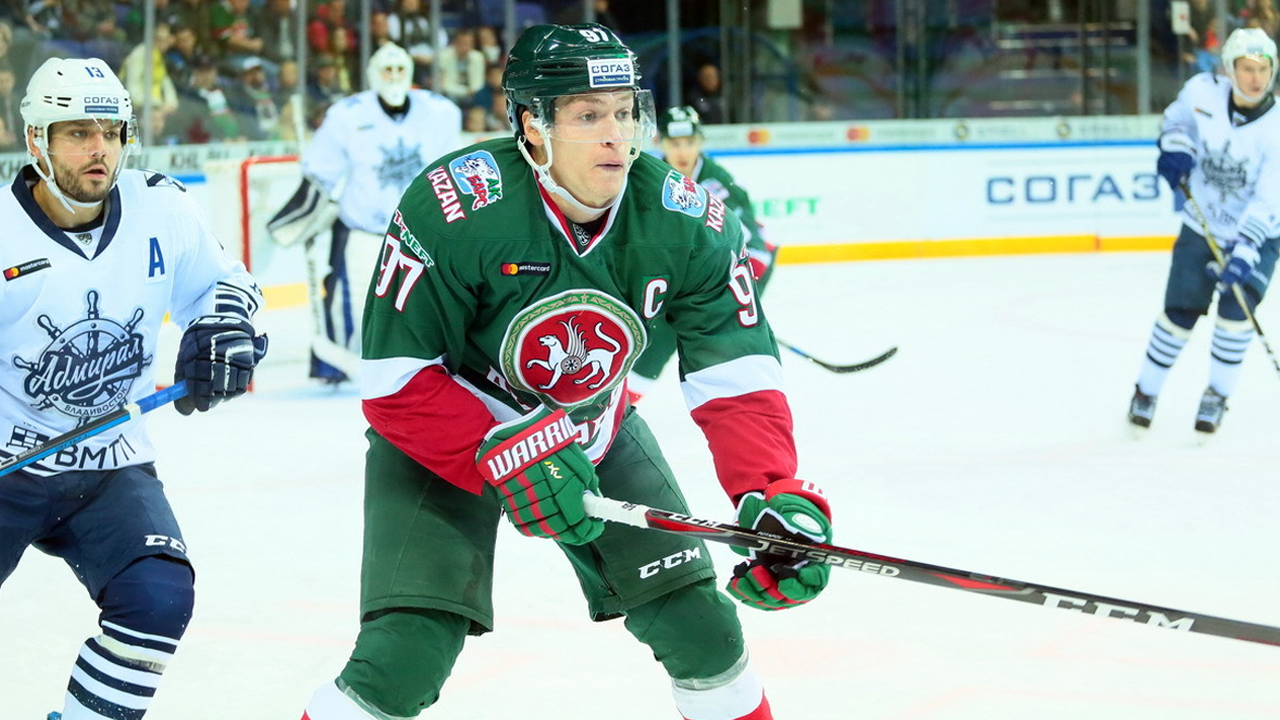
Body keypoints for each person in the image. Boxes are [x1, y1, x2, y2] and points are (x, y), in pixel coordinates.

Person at [297, 23, 833, 720]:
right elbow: (396, 381)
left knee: (704, 635)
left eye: (624, 113)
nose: (616, 136)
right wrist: (503, 451)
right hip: (446, 435)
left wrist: (769, 489)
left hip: (592, 426)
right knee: (403, 658)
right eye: (587, 116)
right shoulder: (454, 206)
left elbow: (737, 373)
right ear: (533, 126)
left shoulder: (687, 221)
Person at [0, 57, 265, 719]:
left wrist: (224, 332)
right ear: (36, 140)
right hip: (7, 466)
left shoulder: (160, 207)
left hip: (109, 466)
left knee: (157, 599)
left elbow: (225, 285)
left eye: (112, 132)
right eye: (77, 133)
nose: (100, 148)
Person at [267, 42, 461, 384]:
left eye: (399, 69)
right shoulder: (348, 114)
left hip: (420, 230)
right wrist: (301, 214)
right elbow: (321, 171)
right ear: (372, 74)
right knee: (344, 296)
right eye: (387, 70)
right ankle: (333, 365)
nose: (394, 77)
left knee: (428, 299)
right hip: (361, 227)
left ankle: (432, 361)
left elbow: (448, 169)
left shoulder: (440, 112)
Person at [1129, 27, 1280, 433]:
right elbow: (1177, 122)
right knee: (1180, 313)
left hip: (1260, 235)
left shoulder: (1277, 127)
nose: (1256, 78)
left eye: (1263, 69)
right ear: (1229, 68)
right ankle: (1146, 391)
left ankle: (1216, 396)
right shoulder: (1201, 92)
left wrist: (1245, 250)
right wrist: (1177, 149)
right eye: (1247, 68)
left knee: (1236, 311)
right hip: (1202, 225)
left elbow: (1269, 200)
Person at [627, 105, 777, 400]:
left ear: (700, 142)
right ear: (660, 143)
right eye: (675, 143)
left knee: (724, 354)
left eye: (690, 142)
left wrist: (725, 300)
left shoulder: (717, 183)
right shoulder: (647, 177)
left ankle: (742, 400)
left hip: (731, 277)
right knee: (651, 347)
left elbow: (757, 253)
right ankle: (617, 411)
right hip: (680, 278)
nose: (683, 151)